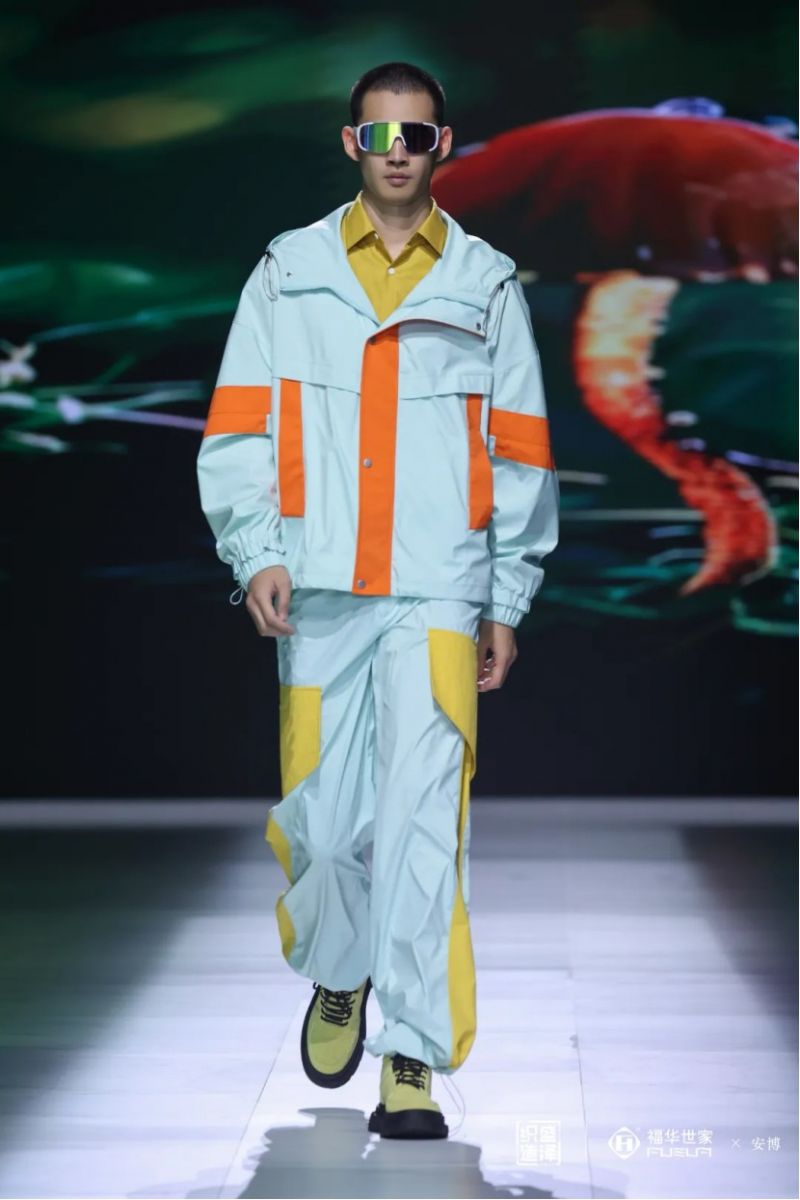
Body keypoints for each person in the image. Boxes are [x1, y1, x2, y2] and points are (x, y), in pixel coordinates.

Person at [196, 61, 559, 1140]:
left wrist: (506, 594)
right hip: (316, 582)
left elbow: (520, 447)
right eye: (377, 134)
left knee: (420, 827)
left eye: (416, 134)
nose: (396, 151)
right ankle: (339, 964)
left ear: (442, 145)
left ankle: (411, 1056)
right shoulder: (291, 271)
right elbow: (239, 424)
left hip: (438, 591)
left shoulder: (485, 282)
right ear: (350, 144)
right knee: (318, 822)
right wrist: (254, 548)